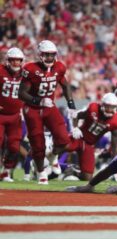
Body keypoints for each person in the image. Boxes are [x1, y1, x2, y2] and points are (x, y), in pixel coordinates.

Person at [18, 40, 76, 184]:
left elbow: (65, 85)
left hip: (49, 107)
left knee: (64, 139)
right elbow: (21, 93)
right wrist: (38, 100)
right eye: (46, 55)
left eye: (52, 55)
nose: (50, 58)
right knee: (38, 144)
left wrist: (71, 104)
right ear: (40, 55)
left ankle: (52, 155)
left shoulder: (59, 67)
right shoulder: (30, 69)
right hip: (32, 109)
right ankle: (41, 171)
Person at [62, 93, 117, 180]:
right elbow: (76, 115)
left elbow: (114, 145)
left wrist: (115, 162)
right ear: (102, 104)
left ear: (116, 107)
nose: (109, 110)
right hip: (79, 137)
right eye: (107, 106)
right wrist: (75, 128)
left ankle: (72, 170)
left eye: (112, 107)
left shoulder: (116, 121)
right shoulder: (93, 109)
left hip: (89, 144)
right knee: (61, 146)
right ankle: (48, 165)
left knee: (87, 177)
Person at [0, 47, 25, 182]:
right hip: (1, 114)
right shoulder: (1, 70)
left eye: (18, 60)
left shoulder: (26, 74)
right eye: (13, 60)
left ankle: (6, 172)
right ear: (7, 60)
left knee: (14, 146)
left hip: (15, 115)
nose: (16, 63)